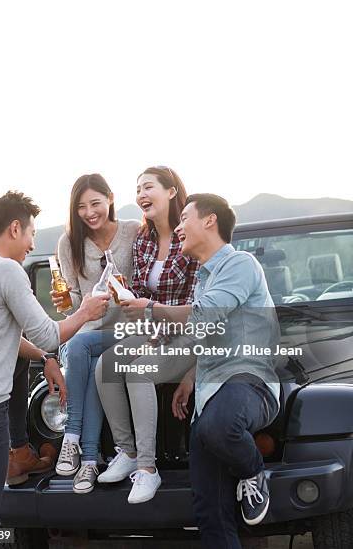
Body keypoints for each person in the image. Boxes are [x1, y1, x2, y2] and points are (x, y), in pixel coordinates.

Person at [0, 191, 109, 549]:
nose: (32, 244)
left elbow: (6, 337)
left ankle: (19, 454)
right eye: (32, 234)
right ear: (15, 228)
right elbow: (49, 332)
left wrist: (47, 359)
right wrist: (86, 312)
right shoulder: (7, 270)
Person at [152, 193, 280, 548]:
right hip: (210, 394)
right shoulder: (203, 280)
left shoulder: (241, 264)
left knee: (220, 425)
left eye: (184, 219)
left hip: (249, 382)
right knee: (210, 514)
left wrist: (150, 307)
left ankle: (253, 472)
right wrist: (190, 378)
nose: (177, 228)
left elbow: (205, 314)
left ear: (210, 221)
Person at [95, 166, 199, 504]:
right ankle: (125, 452)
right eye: (137, 188)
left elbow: (198, 305)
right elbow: (140, 291)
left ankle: (147, 469)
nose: (141, 193)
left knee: (139, 371)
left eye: (148, 186)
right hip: (154, 329)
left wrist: (152, 312)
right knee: (105, 365)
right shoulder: (144, 239)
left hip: (189, 334)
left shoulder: (191, 235)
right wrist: (125, 295)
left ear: (171, 191)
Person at [51, 173, 140, 494]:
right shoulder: (68, 242)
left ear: (110, 199)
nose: (89, 212)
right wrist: (66, 303)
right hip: (89, 333)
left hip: (127, 329)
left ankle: (74, 439)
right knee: (81, 351)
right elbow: (74, 301)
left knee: (82, 349)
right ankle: (87, 458)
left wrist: (129, 292)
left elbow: (145, 284)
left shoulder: (133, 231)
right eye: (81, 206)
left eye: (95, 203)